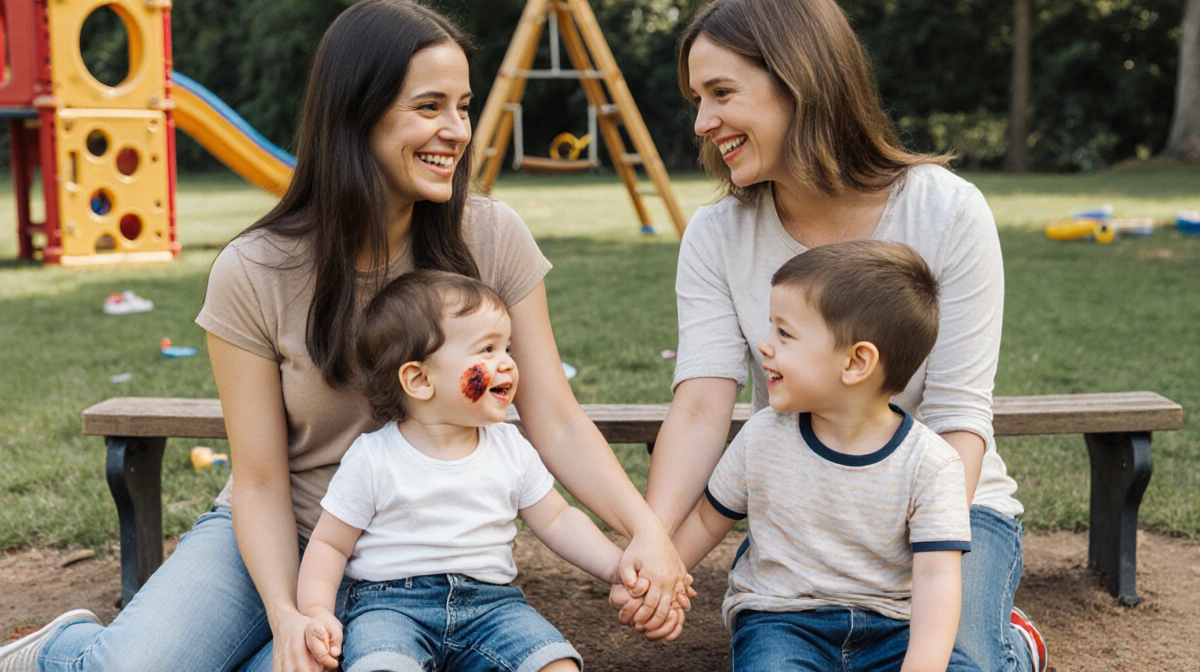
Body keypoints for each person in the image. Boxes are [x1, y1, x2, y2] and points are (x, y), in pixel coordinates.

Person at [0, 3, 687, 671]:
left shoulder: (491, 236)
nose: (457, 130)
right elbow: (263, 480)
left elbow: (556, 419)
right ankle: (65, 650)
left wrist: (645, 531)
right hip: (289, 533)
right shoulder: (254, 269)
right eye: (429, 107)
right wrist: (286, 613)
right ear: (357, 113)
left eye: (463, 106)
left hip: (420, 559)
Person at [615, 1, 1048, 670]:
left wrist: (924, 547)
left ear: (800, 81)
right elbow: (701, 406)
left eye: (722, 93)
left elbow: (960, 416)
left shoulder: (947, 210)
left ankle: (1006, 642)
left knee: (959, 659)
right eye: (697, 99)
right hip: (805, 506)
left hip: (943, 506)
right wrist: (656, 542)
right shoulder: (717, 234)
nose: (702, 122)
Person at [296, 270, 656, 672]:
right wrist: (315, 611)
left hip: (492, 607)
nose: (507, 363)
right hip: (390, 607)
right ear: (419, 379)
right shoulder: (373, 458)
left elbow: (557, 519)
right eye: (487, 349)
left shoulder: (509, 447)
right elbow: (329, 545)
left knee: (556, 666)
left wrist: (613, 566)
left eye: (507, 348)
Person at [670, 241, 978, 671]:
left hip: (893, 627)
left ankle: (1017, 645)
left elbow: (936, 577)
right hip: (782, 621)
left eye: (784, 333)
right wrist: (661, 577)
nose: (764, 345)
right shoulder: (762, 438)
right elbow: (706, 519)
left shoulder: (931, 464)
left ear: (856, 363)